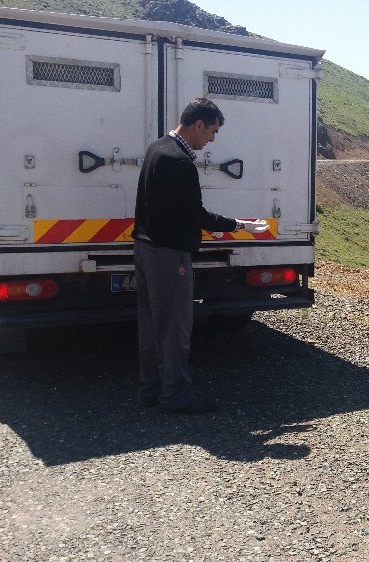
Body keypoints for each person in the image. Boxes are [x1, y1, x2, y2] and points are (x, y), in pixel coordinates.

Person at [133, 97, 266, 414]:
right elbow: (197, 215)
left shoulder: (157, 148)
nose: (212, 140)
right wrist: (241, 225)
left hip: (145, 249)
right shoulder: (179, 161)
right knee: (175, 328)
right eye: (212, 132)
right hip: (169, 254)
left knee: (151, 326)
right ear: (198, 125)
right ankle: (175, 397)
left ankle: (150, 392)